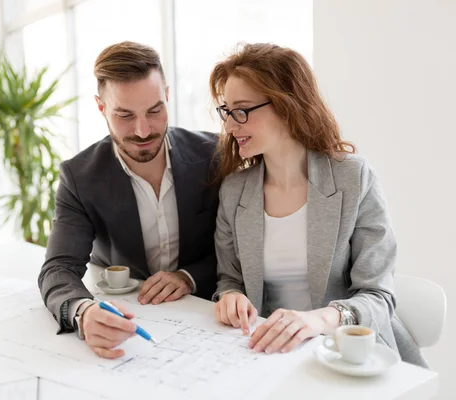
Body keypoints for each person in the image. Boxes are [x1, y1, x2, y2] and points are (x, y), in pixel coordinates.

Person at [209, 43, 426, 367]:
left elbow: (378, 297)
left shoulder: (354, 179)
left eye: (242, 111)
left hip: (349, 356)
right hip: (270, 355)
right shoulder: (234, 192)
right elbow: (230, 279)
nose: (229, 126)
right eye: (227, 111)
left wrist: (320, 320)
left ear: (286, 106)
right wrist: (230, 297)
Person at [38, 41, 219, 359]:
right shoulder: (79, 177)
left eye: (154, 110)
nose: (142, 130)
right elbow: (59, 267)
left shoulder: (213, 154)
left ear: (167, 95)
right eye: (124, 115)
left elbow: (241, 249)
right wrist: (83, 312)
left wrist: (190, 276)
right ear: (100, 107)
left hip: (208, 319)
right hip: (130, 318)